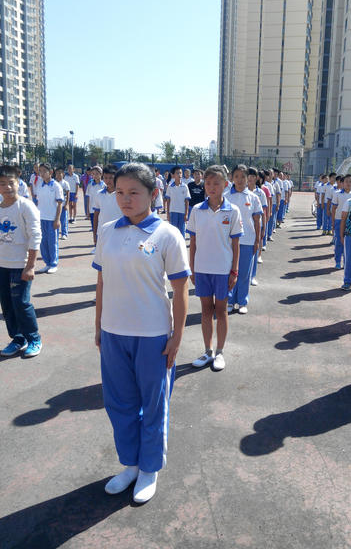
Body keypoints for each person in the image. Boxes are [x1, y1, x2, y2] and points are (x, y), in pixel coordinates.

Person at [93, 163, 190, 503]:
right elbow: (102, 281)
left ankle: (150, 468)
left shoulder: (167, 235)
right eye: (120, 192)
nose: (125, 199)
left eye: (134, 192)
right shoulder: (107, 231)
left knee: (153, 404)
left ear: (153, 194)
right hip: (114, 332)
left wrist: (177, 336)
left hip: (152, 335)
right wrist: (98, 325)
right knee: (119, 403)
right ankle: (131, 464)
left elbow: (180, 290)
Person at [188, 165, 243, 371]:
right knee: (205, 311)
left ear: (225, 185)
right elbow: (192, 243)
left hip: (223, 270)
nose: (211, 187)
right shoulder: (196, 210)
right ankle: (207, 351)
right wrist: (192, 268)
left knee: (221, 311)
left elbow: (235, 244)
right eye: (208, 183)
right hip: (202, 269)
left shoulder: (233, 210)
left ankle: (220, 352)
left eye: (216, 183)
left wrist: (234, 270)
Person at [0, 165, 42, 358]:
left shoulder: (26, 206)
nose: (7, 187)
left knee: (21, 303)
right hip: (2, 266)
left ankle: (34, 338)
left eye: (11, 183)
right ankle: (18, 339)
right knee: (7, 304)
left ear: (18, 184)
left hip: (20, 266)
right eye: (2, 184)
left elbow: (35, 236)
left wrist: (30, 266)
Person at [227, 164, 262, 314]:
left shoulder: (253, 198)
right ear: (232, 178)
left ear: (248, 179)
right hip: (228, 243)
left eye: (243, 177)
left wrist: (257, 241)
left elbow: (257, 221)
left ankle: (242, 302)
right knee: (229, 272)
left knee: (244, 273)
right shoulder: (226, 196)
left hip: (247, 241)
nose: (240, 180)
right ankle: (229, 301)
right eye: (236, 177)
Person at [35, 163, 63, 274]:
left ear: (50, 172)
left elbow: (60, 203)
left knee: (52, 242)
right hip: (41, 218)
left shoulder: (56, 186)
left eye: (43, 171)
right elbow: (38, 202)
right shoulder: (39, 185)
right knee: (43, 242)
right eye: (40, 171)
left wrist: (57, 219)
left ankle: (53, 264)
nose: (41, 173)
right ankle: (47, 263)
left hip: (52, 218)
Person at [247, 167, 267, 286]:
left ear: (257, 178)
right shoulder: (240, 192)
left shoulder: (261, 193)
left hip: (256, 227)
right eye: (248, 175)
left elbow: (263, 211)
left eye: (253, 176)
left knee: (254, 251)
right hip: (243, 227)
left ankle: (252, 276)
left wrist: (264, 226)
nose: (250, 178)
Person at [92, 165, 122, 240]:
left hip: (119, 232)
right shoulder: (99, 194)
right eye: (105, 178)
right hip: (102, 233)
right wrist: (95, 233)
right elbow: (96, 215)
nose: (108, 180)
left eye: (111, 178)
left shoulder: (122, 194)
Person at [164, 166, 190, 237]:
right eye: (177, 173)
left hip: (182, 212)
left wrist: (186, 213)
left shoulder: (185, 186)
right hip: (173, 211)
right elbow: (168, 200)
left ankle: (182, 246)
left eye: (181, 173)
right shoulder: (170, 187)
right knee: (173, 232)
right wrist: (168, 214)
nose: (180, 175)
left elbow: (187, 201)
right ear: (173, 175)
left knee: (182, 231)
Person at [86, 166, 105, 248]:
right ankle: (95, 245)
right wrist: (87, 211)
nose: (95, 175)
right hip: (92, 210)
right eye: (93, 174)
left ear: (101, 174)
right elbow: (89, 199)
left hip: (102, 211)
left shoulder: (104, 185)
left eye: (97, 174)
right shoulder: (90, 185)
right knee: (94, 228)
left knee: (102, 228)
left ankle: (101, 245)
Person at [55, 166, 70, 240]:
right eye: (57, 173)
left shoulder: (65, 183)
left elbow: (68, 194)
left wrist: (67, 204)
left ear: (63, 174)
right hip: (55, 206)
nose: (58, 175)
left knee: (63, 220)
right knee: (55, 220)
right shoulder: (54, 183)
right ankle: (56, 233)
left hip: (63, 205)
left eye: (60, 173)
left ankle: (64, 233)